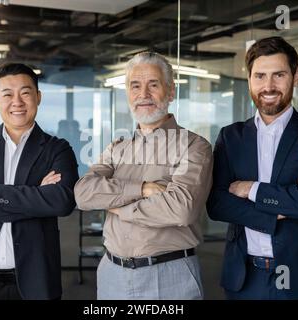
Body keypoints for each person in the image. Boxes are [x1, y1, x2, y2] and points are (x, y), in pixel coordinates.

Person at [207, 36, 298, 299]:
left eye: (278, 75)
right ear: (249, 80)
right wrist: (283, 205)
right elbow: (217, 204)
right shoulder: (230, 137)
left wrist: (251, 189)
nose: (268, 85)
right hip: (245, 279)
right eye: (259, 76)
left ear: (296, 76)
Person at [74, 52, 213, 300]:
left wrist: (115, 206)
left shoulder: (194, 146)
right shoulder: (117, 148)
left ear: (170, 92)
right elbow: (83, 194)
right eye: (135, 86)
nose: (143, 94)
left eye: (153, 84)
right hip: (111, 274)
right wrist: (144, 189)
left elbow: (181, 209)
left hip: (168, 276)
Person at [0, 63, 79, 300]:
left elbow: (63, 202)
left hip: (36, 278)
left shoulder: (57, 149)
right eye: (7, 94)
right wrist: (36, 197)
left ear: (38, 97)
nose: (17, 102)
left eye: (25, 93)